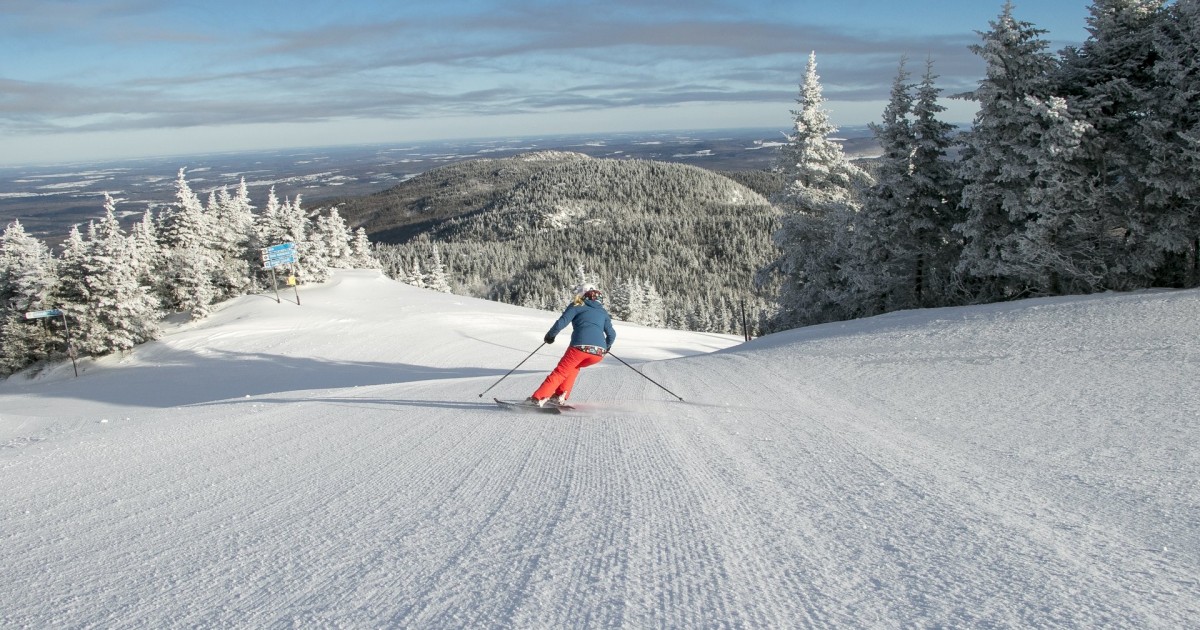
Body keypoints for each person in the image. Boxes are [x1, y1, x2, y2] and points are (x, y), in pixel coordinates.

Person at [528, 283, 616, 406]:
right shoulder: (603, 312)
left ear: (584, 295)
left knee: (560, 372)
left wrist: (550, 336)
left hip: (580, 348)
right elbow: (612, 334)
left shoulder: (577, 305)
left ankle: (537, 399)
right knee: (573, 368)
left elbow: (561, 322)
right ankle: (559, 396)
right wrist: (605, 347)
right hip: (598, 354)